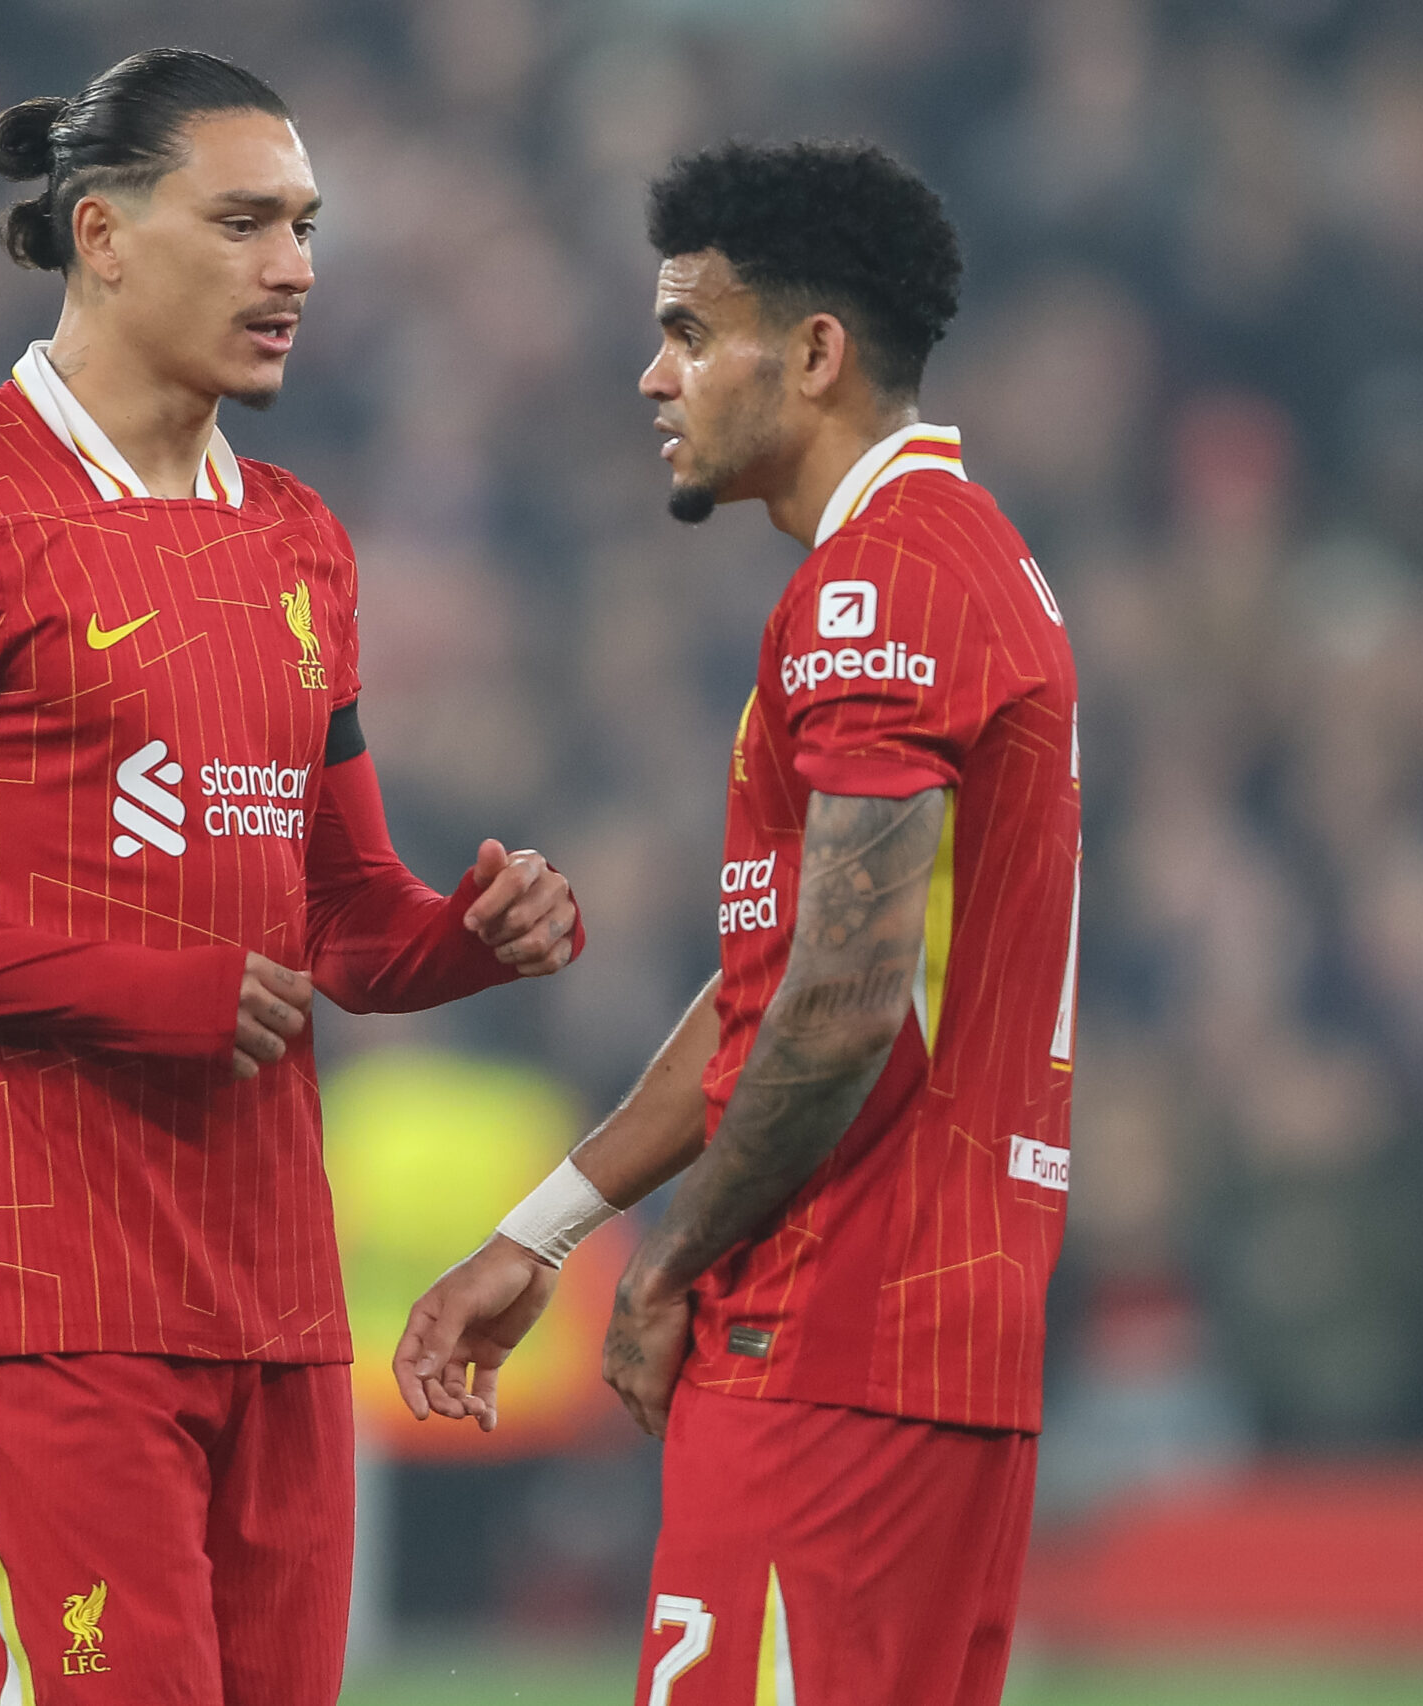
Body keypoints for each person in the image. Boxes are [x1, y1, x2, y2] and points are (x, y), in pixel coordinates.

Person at [0, 49, 582, 1706]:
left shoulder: (298, 538)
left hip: (273, 1298)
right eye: (245, 221)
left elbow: (338, 913)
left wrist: (464, 939)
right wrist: (125, 991)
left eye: (307, 227)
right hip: (45, 1292)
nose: (296, 268)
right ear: (100, 236)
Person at [393, 140, 1078, 1706]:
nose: (655, 375)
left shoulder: (881, 584)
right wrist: (548, 1232)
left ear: (817, 353)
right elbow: (782, 980)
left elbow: (839, 1004)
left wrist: (668, 1263)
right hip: (936, 1348)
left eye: (693, 331)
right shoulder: (967, 565)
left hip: (834, 1336)